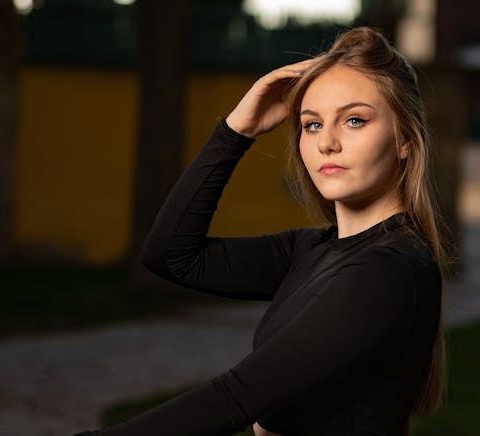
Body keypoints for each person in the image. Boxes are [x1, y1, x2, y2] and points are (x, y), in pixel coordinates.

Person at [76, 26, 445, 436]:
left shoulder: (384, 272)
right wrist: (237, 130)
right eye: (312, 124)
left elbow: (236, 398)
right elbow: (171, 255)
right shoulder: (317, 250)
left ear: (405, 140)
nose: (327, 143)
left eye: (354, 120)